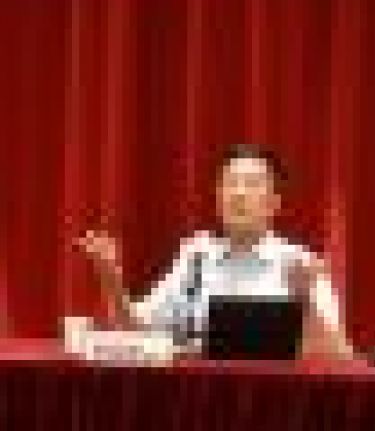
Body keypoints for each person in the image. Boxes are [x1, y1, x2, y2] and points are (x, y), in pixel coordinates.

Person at [76, 143, 351, 357]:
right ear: (218, 197)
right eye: (230, 183)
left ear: (274, 202)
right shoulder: (196, 256)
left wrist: (304, 300)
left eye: (252, 184)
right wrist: (111, 279)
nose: (239, 194)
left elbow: (338, 353)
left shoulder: (299, 263)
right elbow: (134, 328)